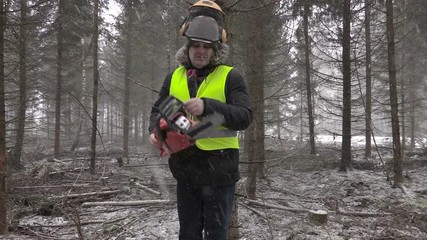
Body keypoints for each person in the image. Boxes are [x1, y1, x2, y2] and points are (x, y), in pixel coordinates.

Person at [148, 1, 252, 239]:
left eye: (207, 46)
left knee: (216, 234)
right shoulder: (174, 76)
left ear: (216, 50)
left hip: (220, 172)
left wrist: (208, 106)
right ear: (187, 47)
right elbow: (158, 109)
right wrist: (154, 131)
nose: (201, 51)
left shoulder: (230, 77)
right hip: (186, 172)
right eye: (195, 45)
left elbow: (245, 117)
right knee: (188, 234)